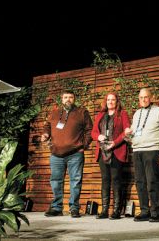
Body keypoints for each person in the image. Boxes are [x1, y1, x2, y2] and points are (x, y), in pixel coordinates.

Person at [42, 90, 93, 218]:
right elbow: (47, 125)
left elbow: (89, 130)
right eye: (65, 97)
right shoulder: (54, 112)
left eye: (71, 97)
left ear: (74, 99)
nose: (68, 100)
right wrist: (46, 134)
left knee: (75, 181)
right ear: (61, 99)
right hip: (56, 154)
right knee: (55, 181)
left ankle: (74, 208)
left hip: (75, 154)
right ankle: (56, 208)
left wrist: (83, 146)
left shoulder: (82, 112)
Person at [125, 88, 159, 222]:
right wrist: (129, 134)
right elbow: (135, 132)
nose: (143, 100)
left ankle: (155, 212)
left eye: (146, 97)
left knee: (152, 182)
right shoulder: (137, 113)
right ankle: (144, 210)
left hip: (152, 150)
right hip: (137, 151)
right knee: (140, 182)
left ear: (151, 98)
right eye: (141, 97)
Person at [91, 92, 130, 220]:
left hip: (116, 151)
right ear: (105, 101)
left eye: (113, 100)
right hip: (102, 152)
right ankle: (104, 210)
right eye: (108, 100)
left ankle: (116, 211)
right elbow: (93, 132)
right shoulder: (101, 115)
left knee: (116, 181)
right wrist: (98, 136)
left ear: (117, 101)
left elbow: (126, 131)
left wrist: (114, 143)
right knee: (105, 180)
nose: (110, 102)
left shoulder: (122, 114)